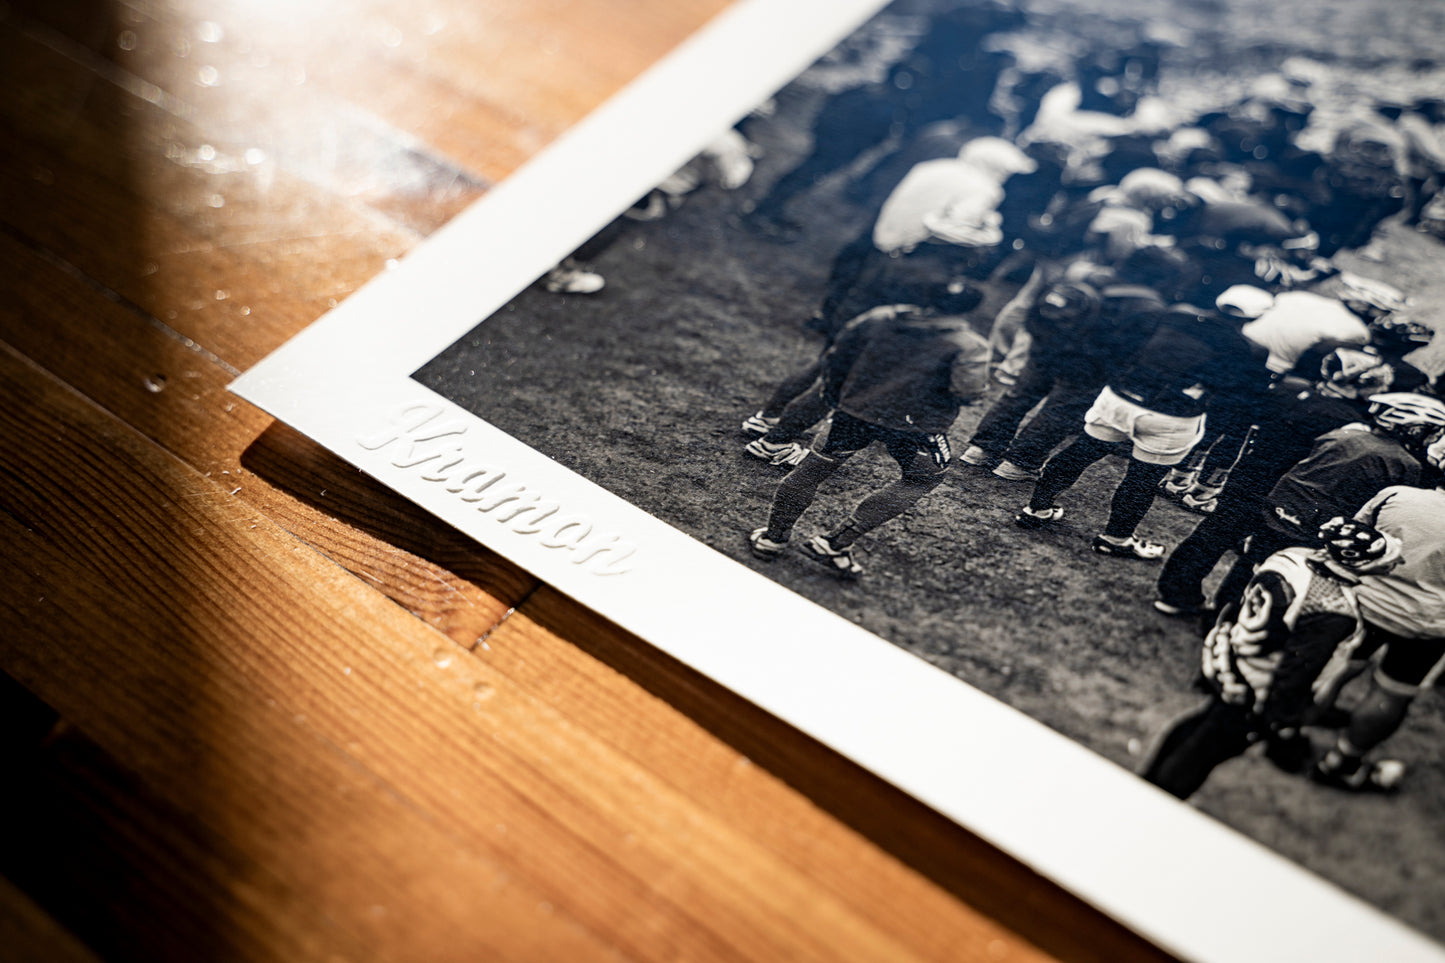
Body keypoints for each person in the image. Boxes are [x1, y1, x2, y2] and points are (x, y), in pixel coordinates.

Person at [1141, 519, 1400, 800]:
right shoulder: (1335, 608)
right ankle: (1160, 800)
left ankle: (1150, 781)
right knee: (1207, 748)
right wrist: (1282, 721)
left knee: (1202, 724)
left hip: (1233, 651)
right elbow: (1299, 669)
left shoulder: (1292, 556)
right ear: (1358, 563)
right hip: (1259, 685)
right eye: (1387, 559)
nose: (1395, 563)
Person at [748, 294, 989, 578]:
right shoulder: (970, 346)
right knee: (924, 477)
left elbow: (836, 357)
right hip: (916, 427)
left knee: (813, 468)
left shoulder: (879, 316)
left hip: (854, 412)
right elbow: (968, 393)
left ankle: (772, 539)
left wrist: (839, 396)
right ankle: (834, 543)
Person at [1016, 302, 1270, 560]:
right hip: (1171, 416)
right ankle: (1115, 539)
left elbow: (1121, 347)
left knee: (1081, 451)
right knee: (1142, 480)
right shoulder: (1245, 347)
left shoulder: (1170, 315)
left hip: (1120, 399)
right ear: (1255, 316)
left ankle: (1036, 509)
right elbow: (1233, 393)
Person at [1311, 472, 1445, 791]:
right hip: (1425, 624)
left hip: (1362, 602)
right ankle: (1341, 763)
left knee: (1337, 667)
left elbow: (1353, 545)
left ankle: (1288, 731)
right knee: (1393, 692)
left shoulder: (1397, 496)